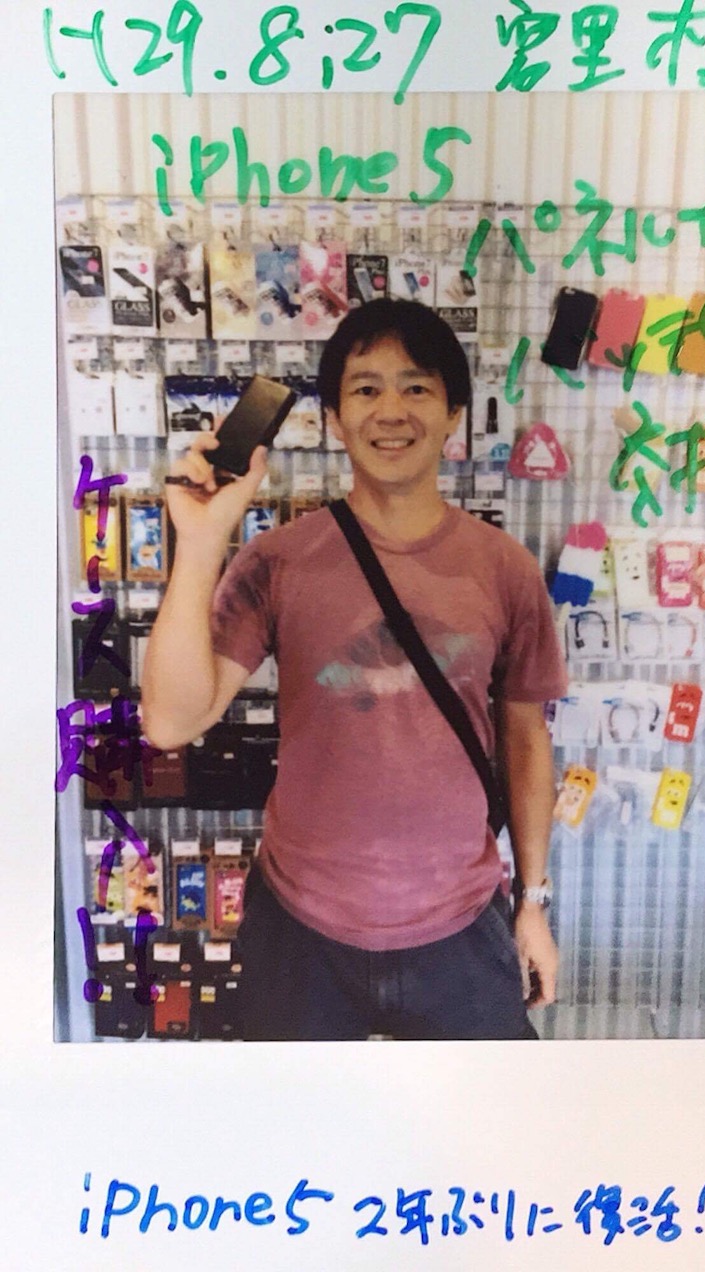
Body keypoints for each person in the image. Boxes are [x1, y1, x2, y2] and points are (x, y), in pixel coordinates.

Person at [142, 298, 568, 1041]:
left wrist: (532, 902)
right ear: (335, 420)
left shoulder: (505, 569)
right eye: (366, 389)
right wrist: (202, 540)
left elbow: (526, 739)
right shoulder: (277, 562)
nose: (391, 411)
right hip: (300, 931)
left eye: (416, 387)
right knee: (298, 1115)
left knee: (484, 1116)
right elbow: (171, 721)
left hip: (462, 924)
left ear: (454, 414)